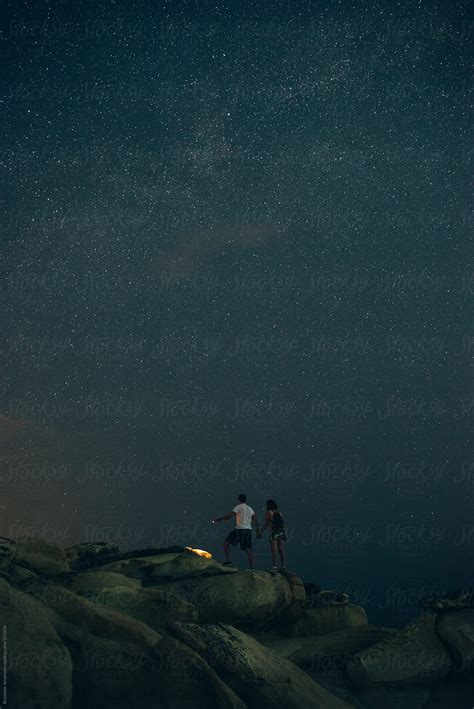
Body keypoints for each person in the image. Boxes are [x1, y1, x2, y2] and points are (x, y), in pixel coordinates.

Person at [213, 493, 260, 569]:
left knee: (226, 543)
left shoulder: (238, 507)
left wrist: (220, 519)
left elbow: (230, 515)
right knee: (248, 549)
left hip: (240, 530)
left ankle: (228, 561)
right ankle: (252, 568)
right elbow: (255, 520)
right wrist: (258, 531)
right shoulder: (250, 508)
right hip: (248, 530)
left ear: (239, 500)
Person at [258, 499, 287, 570]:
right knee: (281, 549)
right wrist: (285, 533)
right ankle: (283, 566)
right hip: (281, 531)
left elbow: (266, 523)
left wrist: (260, 532)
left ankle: (274, 567)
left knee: (274, 550)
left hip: (273, 532)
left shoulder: (269, 512)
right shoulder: (279, 512)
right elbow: (283, 524)